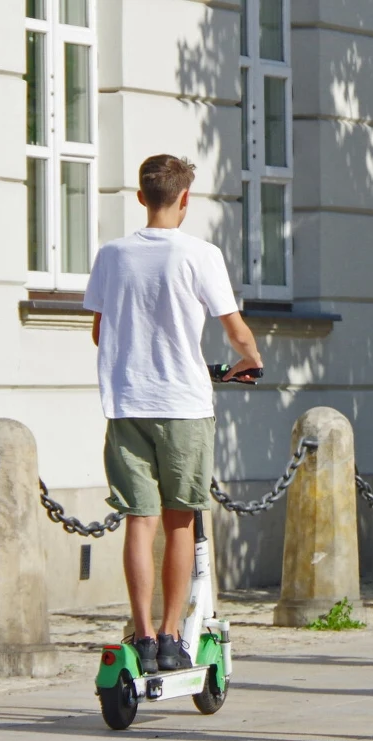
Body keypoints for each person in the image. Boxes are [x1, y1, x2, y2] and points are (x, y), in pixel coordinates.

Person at [85, 154, 262, 675]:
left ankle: (140, 635)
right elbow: (235, 330)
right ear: (185, 198)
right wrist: (250, 360)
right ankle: (169, 637)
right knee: (180, 521)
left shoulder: (111, 255)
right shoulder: (200, 254)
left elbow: (98, 332)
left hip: (126, 403)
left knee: (139, 522)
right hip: (183, 405)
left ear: (142, 197)